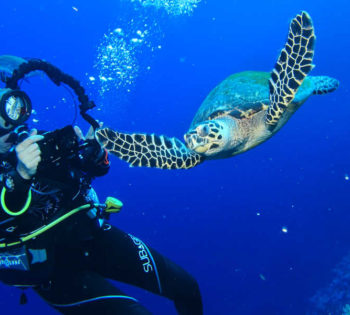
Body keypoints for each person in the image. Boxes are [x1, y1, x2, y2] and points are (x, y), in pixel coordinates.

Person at [0, 104, 203, 313]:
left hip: (90, 234)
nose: (11, 132)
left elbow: (93, 170)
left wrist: (94, 152)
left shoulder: (36, 142)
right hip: (52, 267)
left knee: (187, 287)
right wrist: (21, 175)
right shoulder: (22, 159)